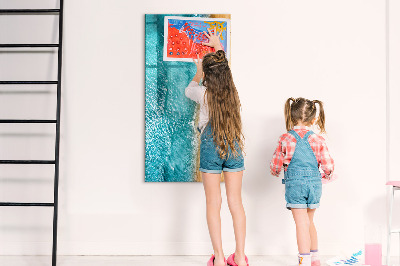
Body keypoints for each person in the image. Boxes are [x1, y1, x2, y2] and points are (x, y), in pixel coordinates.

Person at [184, 28, 248, 266]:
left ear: (208, 76)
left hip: (211, 147)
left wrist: (198, 71)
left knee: (214, 203)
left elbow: (188, 89)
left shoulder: (203, 94)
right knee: (236, 202)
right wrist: (218, 45)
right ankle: (240, 257)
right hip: (233, 145)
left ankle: (219, 259)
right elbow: (224, 69)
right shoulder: (232, 93)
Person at [270, 98, 335, 266]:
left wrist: (276, 171)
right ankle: (315, 260)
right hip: (314, 185)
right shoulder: (318, 139)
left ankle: (304, 261)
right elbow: (328, 165)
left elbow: (275, 164)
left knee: (301, 224)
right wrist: (327, 176)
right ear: (313, 120)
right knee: (309, 222)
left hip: (295, 186)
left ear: (291, 117)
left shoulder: (285, 138)